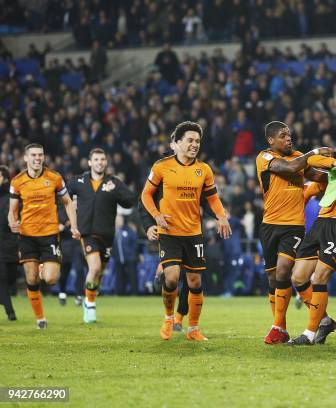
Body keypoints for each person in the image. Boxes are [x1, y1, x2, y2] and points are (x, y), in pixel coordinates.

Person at [141, 121, 231, 341]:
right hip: (169, 232)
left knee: (195, 283)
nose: (194, 144)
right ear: (177, 142)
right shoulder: (161, 166)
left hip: (193, 234)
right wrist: (156, 216)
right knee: (171, 278)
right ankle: (169, 318)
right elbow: (145, 195)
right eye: (190, 140)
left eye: (197, 141)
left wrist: (221, 216)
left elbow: (212, 198)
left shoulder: (204, 170)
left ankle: (193, 329)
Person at [255, 121, 333, 344]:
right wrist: (315, 152)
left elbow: (318, 177)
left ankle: (277, 327)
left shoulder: (299, 156)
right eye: (282, 135)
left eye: (289, 134)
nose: (288, 138)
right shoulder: (265, 158)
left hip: (294, 226)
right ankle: (323, 319)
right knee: (273, 277)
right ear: (271, 140)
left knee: (283, 270)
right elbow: (289, 168)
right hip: (269, 225)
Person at [8, 143, 80, 329]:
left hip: (49, 235)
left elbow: (68, 202)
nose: (37, 158)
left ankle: (42, 267)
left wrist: (73, 225)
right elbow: (12, 210)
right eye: (33, 155)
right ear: (26, 158)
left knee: (50, 279)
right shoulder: (17, 181)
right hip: (27, 236)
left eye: (40, 155)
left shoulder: (54, 178)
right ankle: (40, 319)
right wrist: (12, 222)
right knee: (31, 280)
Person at [67, 148, 135, 323]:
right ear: (89, 163)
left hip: (107, 237)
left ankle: (90, 296)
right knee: (95, 267)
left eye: (102, 159)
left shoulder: (113, 183)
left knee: (99, 273)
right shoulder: (79, 181)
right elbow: (62, 198)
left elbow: (130, 201)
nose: (99, 162)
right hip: (87, 234)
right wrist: (69, 222)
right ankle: (89, 305)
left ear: (106, 162)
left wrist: (117, 191)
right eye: (96, 159)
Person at [288, 165, 336, 346]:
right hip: (320, 222)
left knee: (320, 279)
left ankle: (309, 334)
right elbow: (308, 190)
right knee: (298, 278)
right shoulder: (332, 173)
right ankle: (324, 321)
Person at [0, 165, 17, 321]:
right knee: (3, 277)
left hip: (10, 244)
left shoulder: (11, 197)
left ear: (5, 178)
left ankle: (3, 297)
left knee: (11, 277)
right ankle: (10, 312)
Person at [112, 216, 139, 295]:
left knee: (132, 276)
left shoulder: (129, 230)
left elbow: (135, 242)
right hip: (118, 259)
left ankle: (135, 293)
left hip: (130, 258)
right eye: (117, 220)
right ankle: (119, 293)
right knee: (119, 277)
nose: (118, 222)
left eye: (120, 220)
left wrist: (132, 253)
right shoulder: (113, 231)